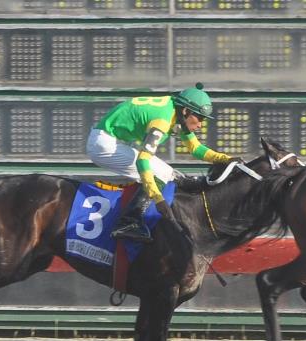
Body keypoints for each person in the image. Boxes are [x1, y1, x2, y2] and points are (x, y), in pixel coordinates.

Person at [86, 83, 236, 243]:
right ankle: (128, 222)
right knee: (162, 173)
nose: (200, 124)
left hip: (114, 141)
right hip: (104, 145)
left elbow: (195, 148)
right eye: (199, 118)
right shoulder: (163, 119)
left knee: (169, 173)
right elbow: (143, 161)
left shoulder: (177, 110)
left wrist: (226, 159)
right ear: (186, 111)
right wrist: (158, 198)